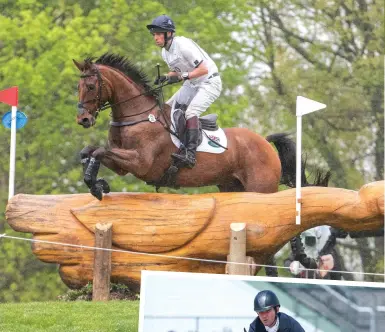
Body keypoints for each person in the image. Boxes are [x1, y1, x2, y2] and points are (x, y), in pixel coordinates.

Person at [146, 14, 222, 168]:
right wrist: (166, 77)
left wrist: (182, 76)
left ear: (169, 34)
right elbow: (179, 72)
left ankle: (190, 154)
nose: (155, 38)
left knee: (190, 113)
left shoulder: (183, 45)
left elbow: (203, 69)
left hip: (209, 82)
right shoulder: (165, 52)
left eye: (159, 34)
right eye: (154, 34)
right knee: (166, 108)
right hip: (192, 84)